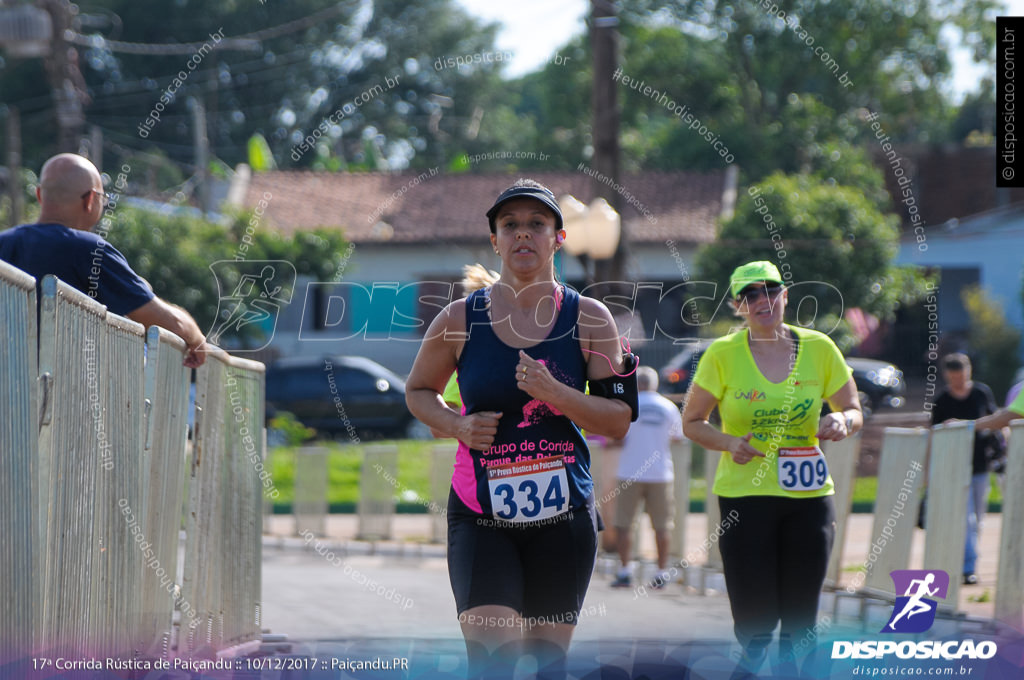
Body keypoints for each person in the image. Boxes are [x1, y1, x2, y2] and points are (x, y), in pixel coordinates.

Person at [405, 179, 635, 679]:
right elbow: (418, 391)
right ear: (495, 240)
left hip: (564, 518)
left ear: (559, 238)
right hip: (481, 516)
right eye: (510, 225)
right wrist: (457, 425)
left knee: (548, 667)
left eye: (537, 224)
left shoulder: (590, 319)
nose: (523, 234)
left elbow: (618, 419)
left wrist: (557, 394)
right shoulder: (459, 320)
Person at [681, 260, 862, 675]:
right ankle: (750, 660)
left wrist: (842, 421)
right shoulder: (722, 354)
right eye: (750, 295)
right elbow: (691, 422)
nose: (762, 300)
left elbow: (852, 409)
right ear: (737, 306)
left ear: (785, 295)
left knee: (801, 618)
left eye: (770, 290)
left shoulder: (819, 347)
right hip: (746, 497)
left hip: (809, 497)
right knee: (754, 618)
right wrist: (728, 442)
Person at [0, 153, 207, 366]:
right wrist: (197, 339)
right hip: (65, 395)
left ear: (40, 195)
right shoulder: (90, 250)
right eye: (102, 197)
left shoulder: (3, 243)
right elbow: (169, 323)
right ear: (90, 200)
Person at [930, 353, 1001, 586]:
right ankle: (968, 567)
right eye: (953, 378)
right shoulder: (942, 400)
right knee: (966, 519)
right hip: (954, 467)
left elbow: (994, 421)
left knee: (977, 519)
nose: (958, 382)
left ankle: (967, 559)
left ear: (968, 372)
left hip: (980, 464)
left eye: (961, 377)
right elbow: (934, 433)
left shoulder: (981, 392)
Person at [610, 365, 683, 590]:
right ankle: (661, 572)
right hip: (660, 473)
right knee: (662, 526)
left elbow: (617, 437)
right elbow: (678, 437)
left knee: (624, 524)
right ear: (654, 384)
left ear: (637, 384)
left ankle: (625, 571)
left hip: (629, 471)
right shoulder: (668, 407)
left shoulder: (628, 406)